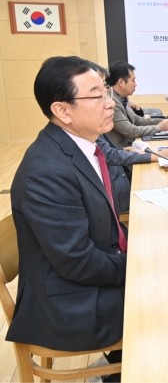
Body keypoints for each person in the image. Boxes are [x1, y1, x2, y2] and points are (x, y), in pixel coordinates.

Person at [8, 56, 126, 379]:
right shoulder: (46, 172)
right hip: (68, 305)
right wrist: (136, 266)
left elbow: (104, 228)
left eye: (107, 92)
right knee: (167, 299)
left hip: (82, 281)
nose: (109, 103)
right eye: (97, 95)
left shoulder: (80, 146)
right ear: (62, 110)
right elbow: (78, 262)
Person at [106, 61, 168, 148]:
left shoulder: (121, 98)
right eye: (133, 80)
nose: (136, 84)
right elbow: (130, 131)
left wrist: (164, 121)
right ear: (121, 82)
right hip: (122, 150)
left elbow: (137, 120)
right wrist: (159, 128)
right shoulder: (111, 102)